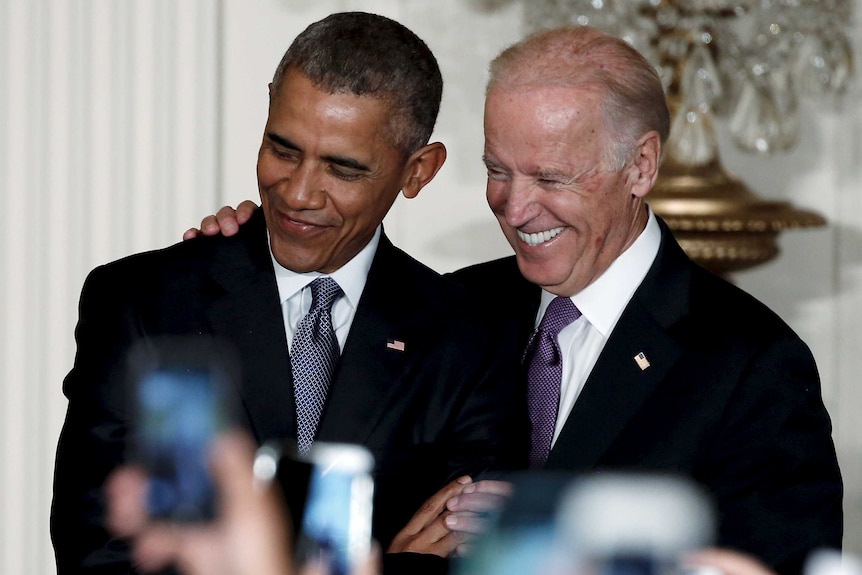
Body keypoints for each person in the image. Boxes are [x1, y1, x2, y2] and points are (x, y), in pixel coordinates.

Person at [195, 25, 843, 575]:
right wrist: (250, 269)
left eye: (550, 177)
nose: (515, 206)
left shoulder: (751, 367)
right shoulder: (446, 310)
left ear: (641, 166)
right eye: (497, 170)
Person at [50, 11, 528, 575]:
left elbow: (481, 561)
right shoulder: (143, 304)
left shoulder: (468, 337)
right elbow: (100, 550)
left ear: (417, 171)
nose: (298, 193)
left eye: (342, 170)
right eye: (282, 149)